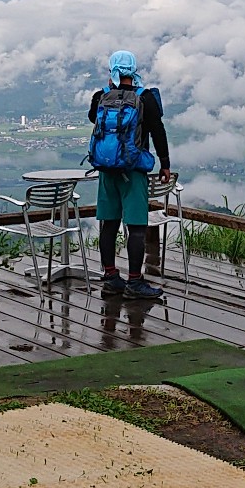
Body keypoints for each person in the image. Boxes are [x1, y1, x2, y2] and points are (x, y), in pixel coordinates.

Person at [87, 50, 173, 300]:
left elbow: (94, 119)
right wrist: (165, 164)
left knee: (109, 224)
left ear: (111, 70)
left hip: (106, 169)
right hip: (133, 170)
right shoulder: (145, 98)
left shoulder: (100, 97)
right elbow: (158, 131)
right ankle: (135, 282)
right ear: (134, 71)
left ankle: (111, 278)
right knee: (136, 227)